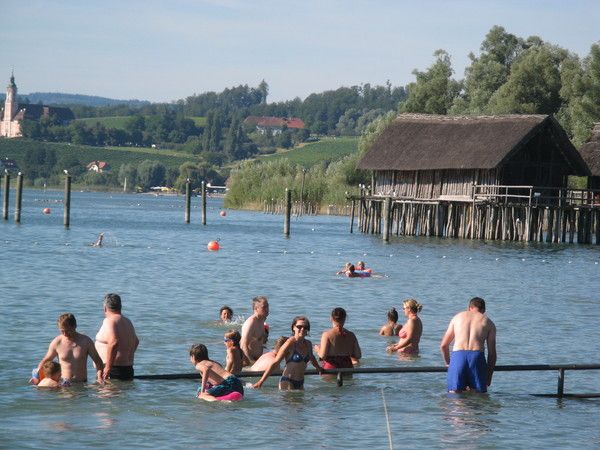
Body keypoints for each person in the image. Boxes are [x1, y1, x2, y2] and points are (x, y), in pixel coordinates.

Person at [440, 297, 497, 393]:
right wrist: (489, 375)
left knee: (455, 397)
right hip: (477, 357)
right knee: (478, 399)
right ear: (483, 310)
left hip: (458, 356)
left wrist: (449, 363)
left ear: (469, 308)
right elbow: (492, 354)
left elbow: (443, 345)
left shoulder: (457, 318)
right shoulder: (489, 322)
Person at [32, 313, 104, 384]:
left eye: (67, 330)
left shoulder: (86, 341)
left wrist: (99, 377)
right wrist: (36, 377)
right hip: (64, 384)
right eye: (62, 331)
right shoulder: (57, 342)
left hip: (82, 384)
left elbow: (98, 361)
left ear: (75, 326)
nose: (65, 334)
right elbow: (46, 361)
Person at [253, 316, 321, 390]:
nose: (302, 329)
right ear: (293, 328)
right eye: (299, 326)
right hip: (287, 381)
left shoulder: (308, 344)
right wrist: (261, 381)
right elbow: (275, 362)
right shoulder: (289, 343)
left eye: (305, 327)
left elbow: (311, 357)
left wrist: (319, 368)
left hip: (301, 383)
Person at [95, 293, 139, 381]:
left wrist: (108, 367)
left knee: (106, 395)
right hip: (127, 369)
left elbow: (114, 342)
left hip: (113, 371)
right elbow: (136, 341)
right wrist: (125, 356)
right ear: (120, 307)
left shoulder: (109, 321)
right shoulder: (127, 321)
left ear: (105, 308)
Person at [314, 307, 361, 372]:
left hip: (331, 369)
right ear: (345, 319)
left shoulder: (327, 334)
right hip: (347, 368)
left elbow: (322, 356)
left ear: (331, 318)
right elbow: (358, 355)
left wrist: (317, 350)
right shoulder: (351, 335)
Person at [240, 296, 269, 366]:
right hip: (248, 361)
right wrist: (251, 362)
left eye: (267, 306)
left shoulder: (262, 319)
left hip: (257, 359)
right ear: (256, 308)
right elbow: (243, 346)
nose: (267, 309)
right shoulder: (251, 322)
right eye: (264, 307)